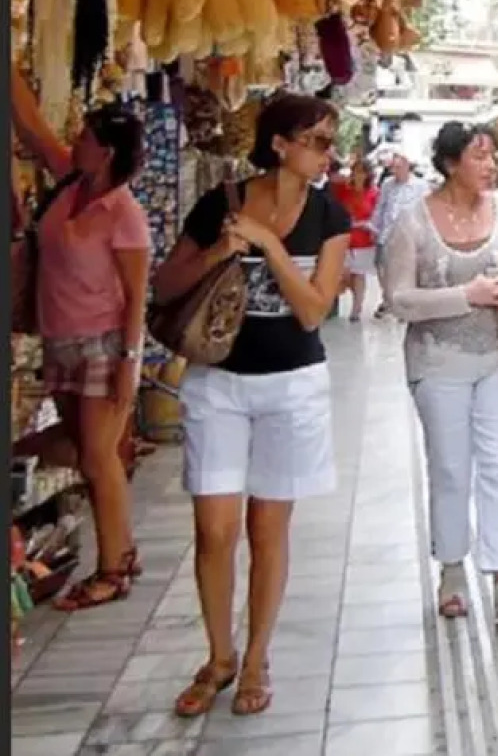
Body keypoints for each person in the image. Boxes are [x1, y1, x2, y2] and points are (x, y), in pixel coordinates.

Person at [153, 93, 350, 718]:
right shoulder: (223, 203)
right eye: (317, 140)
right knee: (213, 531)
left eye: (329, 141)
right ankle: (219, 655)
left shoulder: (330, 216)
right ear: (279, 144)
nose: (327, 152)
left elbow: (315, 309)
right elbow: (165, 284)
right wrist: (221, 251)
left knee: (269, 531)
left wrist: (267, 245)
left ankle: (257, 657)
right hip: (219, 382)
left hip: (292, 386)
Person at [381, 123, 498, 629]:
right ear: (452, 163)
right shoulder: (413, 223)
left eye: (491, 156)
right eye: (479, 156)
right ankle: (452, 567)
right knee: (451, 468)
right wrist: (465, 296)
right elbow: (398, 299)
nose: (489, 165)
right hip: (438, 362)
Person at [10, 74, 150, 611]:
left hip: (103, 345)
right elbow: (35, 128)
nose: (76, 142)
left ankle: (111, 570)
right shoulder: (71, 184)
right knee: (87, 451)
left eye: (87, 137)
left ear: (106, 152)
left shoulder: (124, 213)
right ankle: (124, 549)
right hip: (60, 340)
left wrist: (128, 364)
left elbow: (137, 296)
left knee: (96, 457)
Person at [372, 150, 429, 318]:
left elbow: (425, 210)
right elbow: (381, 206)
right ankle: (388, 299)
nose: (395, 171)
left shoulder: (420, 186)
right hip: (387, 233)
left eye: (398, 167)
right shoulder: (388, 184)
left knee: (407, 270)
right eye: (393, 168)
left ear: (406, 166)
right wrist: (375, 227)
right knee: (383, 268)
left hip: (409, 236)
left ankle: (405, 303)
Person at [331, 155, 379, 322]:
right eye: (355, 171)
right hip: (344, 238)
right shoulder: (344, 189)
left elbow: (377, 217)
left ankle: (356, 309)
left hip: (362, 240)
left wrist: (362, 224)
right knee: (344, 274)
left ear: (367, 174)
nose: (357, 175)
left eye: (360, 171)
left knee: (359, 274)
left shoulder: (373, 193)